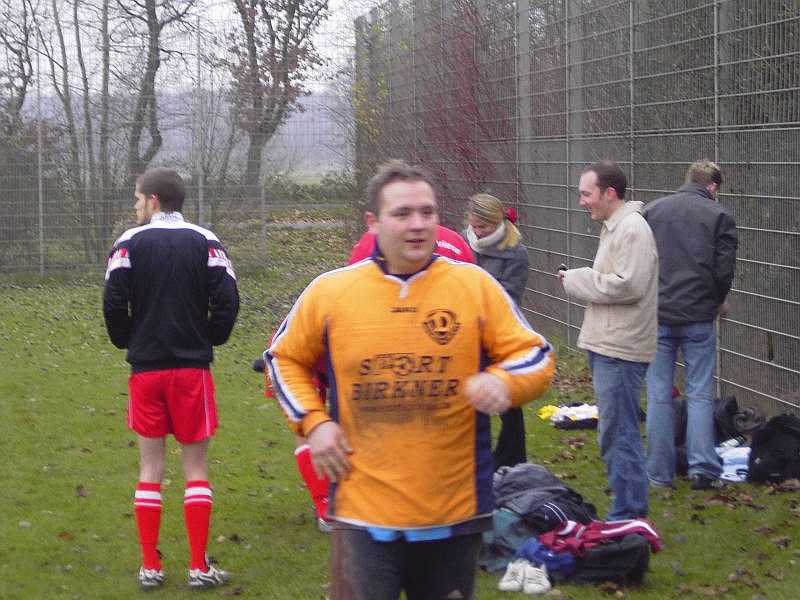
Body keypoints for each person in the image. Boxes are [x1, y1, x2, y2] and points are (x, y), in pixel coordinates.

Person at [266, 159, 555, 600]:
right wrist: (314, 422)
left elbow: (534, 354)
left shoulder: (473, 286)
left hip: (453, 509)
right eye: (402, 214)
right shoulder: (331, 291)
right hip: (363, 508)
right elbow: (283, 358)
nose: (417, 224)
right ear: (373, 222)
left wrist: (504, 381)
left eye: (427, 212)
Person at [257, 223, 475, 535]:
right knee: (313, 424)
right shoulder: (353, 284)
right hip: (317, 357)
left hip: (370, 357)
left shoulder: (451, 269)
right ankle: (327, 506)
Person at [103, 167, 239, 591]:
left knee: (150, 467)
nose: (135, 206)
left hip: (146, 370)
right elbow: (228, 298)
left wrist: (128, 339)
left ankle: (150, 567)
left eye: (137, 199)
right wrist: (211, 335)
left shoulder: (128, 242)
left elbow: (112, 301)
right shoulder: (206, 240)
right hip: (191, 370)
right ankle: (198, 568)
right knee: (195, 467)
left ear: (154, 201)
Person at [557, 161, 658, 521]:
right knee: (613, 433)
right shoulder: (615, 227)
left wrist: (576, 279)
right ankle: (628, 512)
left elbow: (628, 285)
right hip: (608, 345)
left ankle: (629, 517)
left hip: (620, 349)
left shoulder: (632, 229)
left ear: (609, 193)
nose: (582, 201)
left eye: (586, 194)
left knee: (619, 434)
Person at [642, 159, 738, 491]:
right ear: (712, 185)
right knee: (699, 393)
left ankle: (658, 474)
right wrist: (715, 300)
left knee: (658, 393)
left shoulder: (652, 211)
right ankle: (702, 470)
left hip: (658, 315)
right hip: (698, 316)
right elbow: (724, 270)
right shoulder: (720, 217)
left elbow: (641, 262)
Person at [463, 193, 531, 469]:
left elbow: (508, 297)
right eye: (474, 226)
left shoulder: (516, 253)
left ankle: (513, 459)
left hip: (498, 331)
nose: (478, 232)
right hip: (464, 331)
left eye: (484, 227)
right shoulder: (463, 243)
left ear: (498, 222)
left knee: (508, 401)